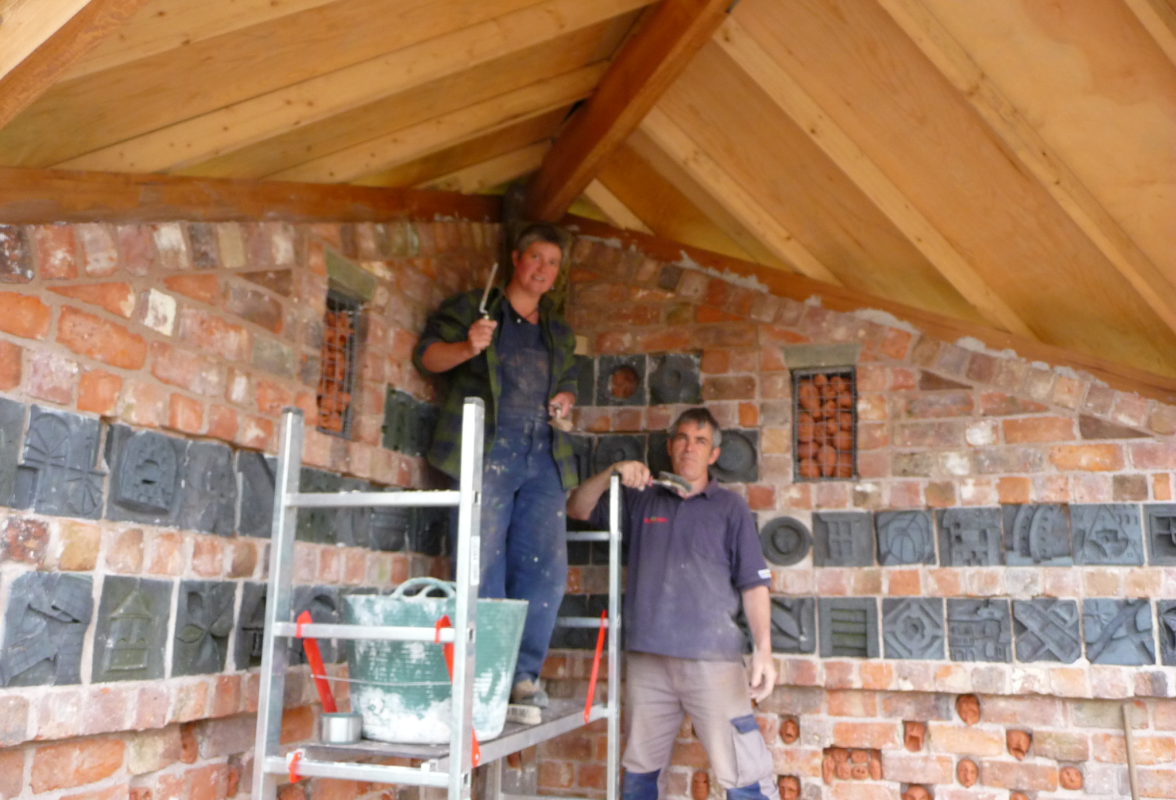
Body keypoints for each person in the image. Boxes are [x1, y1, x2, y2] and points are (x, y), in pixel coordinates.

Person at [567, 408, 779, 800]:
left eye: (700, 441)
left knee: (745, 774)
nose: (689, 448)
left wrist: (764, 651)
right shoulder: (641, 498)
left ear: (714, 454)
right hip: (648, 660)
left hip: (713, 660)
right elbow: (577, 507)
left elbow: (754, 584)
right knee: (639, 774)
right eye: (682, 438)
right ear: (670, 446)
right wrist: (613, 472)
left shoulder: (730, 507)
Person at [414, 222, 579, 707]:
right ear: (516, 259)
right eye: (536, 258)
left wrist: (565, 400)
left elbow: (568, 382)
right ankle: (483, 673)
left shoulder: (558, 331)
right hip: (486, 449)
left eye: (552, 263)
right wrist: (468, 347)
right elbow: (427, 358)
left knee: (544, 568)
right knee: (481, 562)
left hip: (543, 454)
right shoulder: (475, 308)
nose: (543, 269)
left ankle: (522, 676)